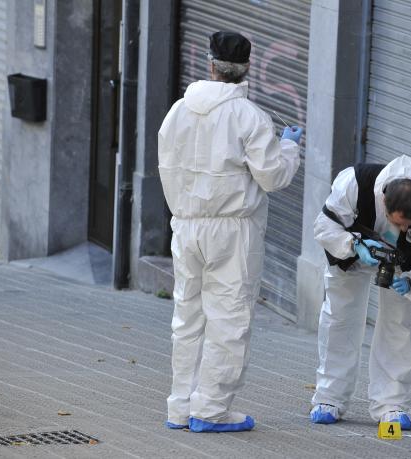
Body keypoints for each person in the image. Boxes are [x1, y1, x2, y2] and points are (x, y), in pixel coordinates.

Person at [158, 30, 303, 433]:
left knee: (187, 317)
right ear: (247, 70)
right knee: (228, 318)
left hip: (185, 226)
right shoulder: (249, 117)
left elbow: (167, 165)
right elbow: (272, 177)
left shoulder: (177, 112)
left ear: (210, 65)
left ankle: (179, 406)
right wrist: (289, 147)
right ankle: (211, 409)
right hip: (233, 229)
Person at [310, 154, 411, 430]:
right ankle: (329, 398)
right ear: (384, 201)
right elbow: (324, 225)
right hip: (351, 255)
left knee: (397, 327)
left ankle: (392, 404)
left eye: (409, 225)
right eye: (397, 222)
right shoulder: (354, 183)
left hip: (403, 267)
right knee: (339, 320)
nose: (403, 229)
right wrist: (353, 245)